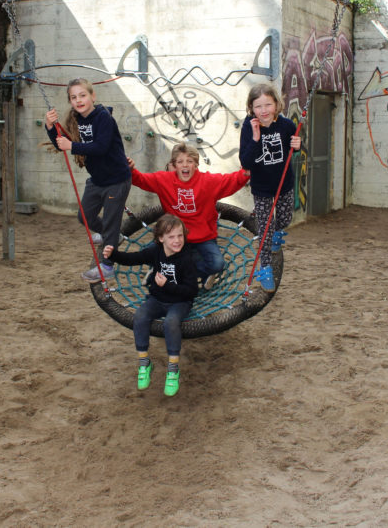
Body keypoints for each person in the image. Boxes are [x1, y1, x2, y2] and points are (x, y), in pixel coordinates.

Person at [44, 78, 131, 282]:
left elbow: (100, 147)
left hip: (116, 179)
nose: (78, 100)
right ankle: (111, 236)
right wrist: (50, 126)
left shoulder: (103, 118)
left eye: (82, 95)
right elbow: (61, 144)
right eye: (73, 97)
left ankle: (108, 266)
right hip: (98, 179)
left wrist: (71, 146)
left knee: (111, 222)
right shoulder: (76, 119)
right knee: (85, 217)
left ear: (93, 96)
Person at [129, 142, 249, 287]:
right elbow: (140, 179)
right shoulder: (164, 180)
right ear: (175, 165)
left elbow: (232, 180)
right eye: (180, 162)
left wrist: (246, 172)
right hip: (176, 235)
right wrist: (130, 170)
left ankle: (171, 271)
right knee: (148, 254)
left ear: (196, 164)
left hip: (203, 238)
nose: (185, 165)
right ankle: (164, 268)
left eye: (189, 161)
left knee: (217, 264)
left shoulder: (208, 181)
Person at [103, 214, 198, 396]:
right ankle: (144, 362)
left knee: (170, 322)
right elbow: (134, 259)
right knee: (140, 316)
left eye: (180, 236)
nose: (177, 241)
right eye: (171, 237)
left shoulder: (187, 258)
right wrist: (113, 255)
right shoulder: (156, 251)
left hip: (180, 302)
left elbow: (192, 290)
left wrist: (167, 285)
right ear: (161, 238)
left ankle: (172, 369)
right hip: (157, 299)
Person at [238, 83, 302, 292]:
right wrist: (256, 138)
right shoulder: (249, 126)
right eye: (258, 106)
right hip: (262, 188)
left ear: (276, 105)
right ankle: (264, 267)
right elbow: (246, 162)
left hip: (284, 183)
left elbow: (297, 149)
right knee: (265, 230)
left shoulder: (285, 126)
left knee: (284, 220)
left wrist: (298, 146)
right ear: (251, 108)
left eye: (268, 104)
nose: (264, 110)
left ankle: (277, 233)